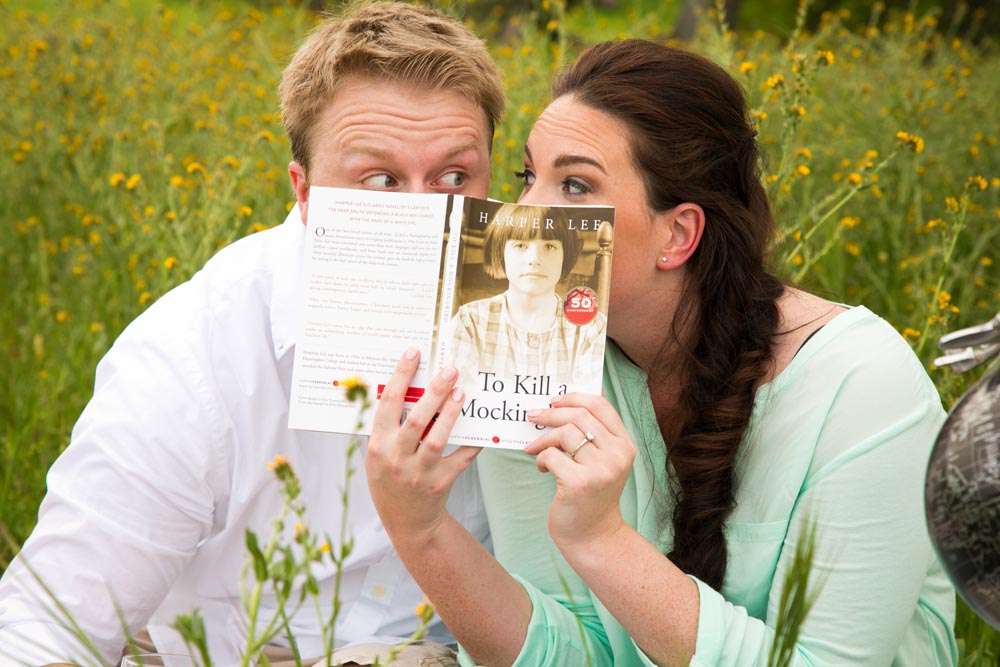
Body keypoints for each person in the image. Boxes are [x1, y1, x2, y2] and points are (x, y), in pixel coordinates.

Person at [365, 39, 958, 666]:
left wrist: (602, 539)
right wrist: (421, 529)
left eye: (574, 184)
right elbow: (561, 654)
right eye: (526, 177)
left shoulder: (862, 387)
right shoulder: (534, 363)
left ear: (678, 234)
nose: (525, 212)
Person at [0, 3, 504, 666]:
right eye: (379, 180)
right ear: (303, 192)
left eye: (454, 177)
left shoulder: (534, 316)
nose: (423, 216)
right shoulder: (192, 358)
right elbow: (45, 628)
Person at [448, 202, 606, 391]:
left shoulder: (590, 327)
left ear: (566, 255)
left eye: (549, 246)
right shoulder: (470, 321)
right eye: (520, 245)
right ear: (500, 252)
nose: (534, 259)